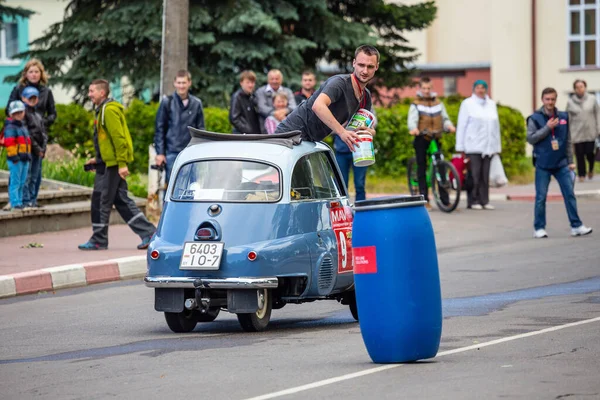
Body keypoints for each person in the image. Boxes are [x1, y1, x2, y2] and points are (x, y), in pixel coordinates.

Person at [79, 79, 156, 251]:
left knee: (101, 201)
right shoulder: (102, 110)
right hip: (107, 163)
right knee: (121, 201)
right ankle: (149, 233)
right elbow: (106, 142)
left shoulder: (109, 110)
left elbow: (119, 139)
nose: (89, 94)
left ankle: (99, 240)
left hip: (113, 165)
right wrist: (97, 160)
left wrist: (122, 164)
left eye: (92, 91)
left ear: (102, 93)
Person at [275, 44, 379, 151]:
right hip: (289, 135)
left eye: (370, 66)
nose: (365, 71)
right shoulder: (339, 83)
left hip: (310, 141)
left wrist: (370, 132)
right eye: (361, 65)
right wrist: (342, 132)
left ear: (376, 66)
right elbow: (318, 106)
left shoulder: (365, 97)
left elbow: (364, 127)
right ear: (354, 63)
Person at [527, 88, 592, 238]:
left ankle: (576, 226)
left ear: (556, 100)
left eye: (552, 99)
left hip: (561, 163)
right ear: (542, 100)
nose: (550, 102)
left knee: (569, 194)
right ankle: (539, 228)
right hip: (543, 163)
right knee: (541, 197)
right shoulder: (534, 118)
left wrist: (571, 161)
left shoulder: (563, 116)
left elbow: (568, 141)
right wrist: (548, 128)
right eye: (547, 99)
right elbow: (531, 138)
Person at [408, 77, 456, 208]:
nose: (426, 91)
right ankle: (425, 199)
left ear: (431, 88)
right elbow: (412, 119)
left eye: (428, 88)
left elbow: (445, 118)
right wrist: (414, 129)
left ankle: (445, 200)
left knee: (441, 167)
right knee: (421, 167)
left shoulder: (438, 103)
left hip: (436, 137)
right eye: (424, 88)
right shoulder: (416, 103)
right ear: (420, 89)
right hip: (422, 137)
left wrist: (449, 126)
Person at [456, 80, 501, 210]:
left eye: (483, 88)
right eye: (478, 88)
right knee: (474, 174)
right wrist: (460, 146)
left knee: (485, 175)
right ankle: (473, 200)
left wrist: (497, 146)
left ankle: (484, 200)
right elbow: (462, 125)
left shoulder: (491, 104)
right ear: (474, 89)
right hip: (473, 145)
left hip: (488, 146)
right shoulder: (467, 104)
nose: (480, 90)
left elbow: (495, 127)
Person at [154, 70, 205, 183]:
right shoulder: (167, 102)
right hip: (172, 152)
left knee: (191, 187)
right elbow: (160, 129)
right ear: (175, 83)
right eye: (179, 82)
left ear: (189, 83)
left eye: (184, 82)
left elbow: (201, 129)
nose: (181, 86)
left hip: (191, 152)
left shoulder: (196, 103)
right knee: (173, 187)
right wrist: (160, 153)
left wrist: (200, 151)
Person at [333, 108, 378, 202]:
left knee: (360, 184)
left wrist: (367, 129)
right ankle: (343, 211)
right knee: (341, 185)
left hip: (360, 150)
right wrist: (340, 127)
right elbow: (328, 129)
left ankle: (362, 212)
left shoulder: (365, 103)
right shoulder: (339, 103)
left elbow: (374, 128)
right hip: (341, 151)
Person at [7, 59, 57, 133]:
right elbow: (8, 109)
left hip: (39, 132)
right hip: (20, 131)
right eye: (31, 72)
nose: (34, 74)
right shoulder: (18, 89)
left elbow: (52, 114)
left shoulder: (46, 91)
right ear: (26, 74)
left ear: (41, 74)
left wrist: (41, 123)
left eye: (36, 72)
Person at [566, 79, 599, 182]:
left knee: (589, 153)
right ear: (574, 89)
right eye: (577, 87)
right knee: (579, 155)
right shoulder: (570, 102)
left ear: (585, 88)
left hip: (590, 131)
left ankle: (590, 169)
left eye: (581, 86)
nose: (579, 89)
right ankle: (581, 175)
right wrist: (567, 132)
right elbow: (568, 118)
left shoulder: (592, 99)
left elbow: (597, 114)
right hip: (576, 132)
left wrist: (599, 128)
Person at [21, 86, 47, 209]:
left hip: (39, 152)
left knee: (36, 177)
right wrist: (37, 149)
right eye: (29, 98)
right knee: (28, 175)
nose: (32, 100)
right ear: (23, 98)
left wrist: (43, 148)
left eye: (34, 98)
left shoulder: (38, 115)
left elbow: (43, 133)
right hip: (29, 151)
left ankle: (33, 199)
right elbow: (27, 134)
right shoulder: (23, 114)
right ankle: (26, 200)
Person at [4, 101, 31, 211]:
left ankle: (19, 201)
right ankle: (15, 203)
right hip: (16, 159)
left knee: (22, 181)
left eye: (20, 112)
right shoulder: (10, 127)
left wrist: (28, 155)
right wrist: (14, 156)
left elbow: (27, 142)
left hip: (24, 158)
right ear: (11, 114)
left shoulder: (22, 126)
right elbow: (9, 143)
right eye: (16, 113)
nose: (19, 114)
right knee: (15, 182)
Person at [254, 69, 297, 133]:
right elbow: (261, 107)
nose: (274, 81)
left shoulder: (288, 92)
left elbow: (293, 106)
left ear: (281, 80)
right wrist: (275, 113)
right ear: (268, 80)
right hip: (264, 130)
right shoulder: (260, 91)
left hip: (286, 125)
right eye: (272, 79)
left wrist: (284, 111)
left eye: (277, 79)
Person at [229, 70, 261, 134]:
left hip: (254, 134)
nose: (250, 85)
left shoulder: (253, 96)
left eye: (252, 82)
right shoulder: (237, 97)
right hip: (242, 135)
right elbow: (234, 118)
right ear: (241, 83)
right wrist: (247, 130)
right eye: (248, 82)